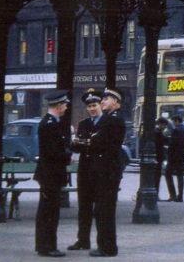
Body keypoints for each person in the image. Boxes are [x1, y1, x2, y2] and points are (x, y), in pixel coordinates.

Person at [86, 87, 125, 258]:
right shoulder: (109, 119)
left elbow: (98, 141)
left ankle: (107, 247)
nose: (102, 102)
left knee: (104, 210)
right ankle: (106, 245)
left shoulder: (113, 120)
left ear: (115, 102)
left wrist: (91, 140)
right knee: (103, 210)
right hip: (106, 170)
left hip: (108, 171)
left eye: (106, 99)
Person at [34, 90, 72, 258]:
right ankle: (47, 246)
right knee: (49, 212)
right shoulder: (50, 125)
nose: (66, 108)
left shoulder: (49, 122)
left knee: (47, 210)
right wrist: (68, 158)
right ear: (58, 106)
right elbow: (52, 153)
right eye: (64, 105)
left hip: (49, 174)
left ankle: (44, 245)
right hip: (51, 175)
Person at [67, 89, 103, 251]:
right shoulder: (83, 124)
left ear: (100, 105)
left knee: (101, 209)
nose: (92, 109)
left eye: (94, 105)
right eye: (89, 107)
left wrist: (86, 142)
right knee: (84, 208)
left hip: (100, 171)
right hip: (85, 171)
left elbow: (101, 145)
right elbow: (76, 146)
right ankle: (83, 240)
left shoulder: (106, 123)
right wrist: (80, 143)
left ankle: (101, 243)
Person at [165, 115, 184, 202]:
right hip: (182, 156)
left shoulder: (175, 130)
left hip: (174, 156)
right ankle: (180, 195)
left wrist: (168, 152)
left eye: (173, 122)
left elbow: (173, 144)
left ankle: (173, 194)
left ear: (176, 121)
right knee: (180, 175)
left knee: (168, 174)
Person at [154, 117, 170, 199]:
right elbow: (163, 141)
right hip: (158, 157)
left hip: (157, 157)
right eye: (164, 125)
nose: (165, 127)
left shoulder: (157, 132)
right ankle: (155, 194)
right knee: (156, 177)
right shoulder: (158, 132)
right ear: (160, 124)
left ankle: (155, 194)